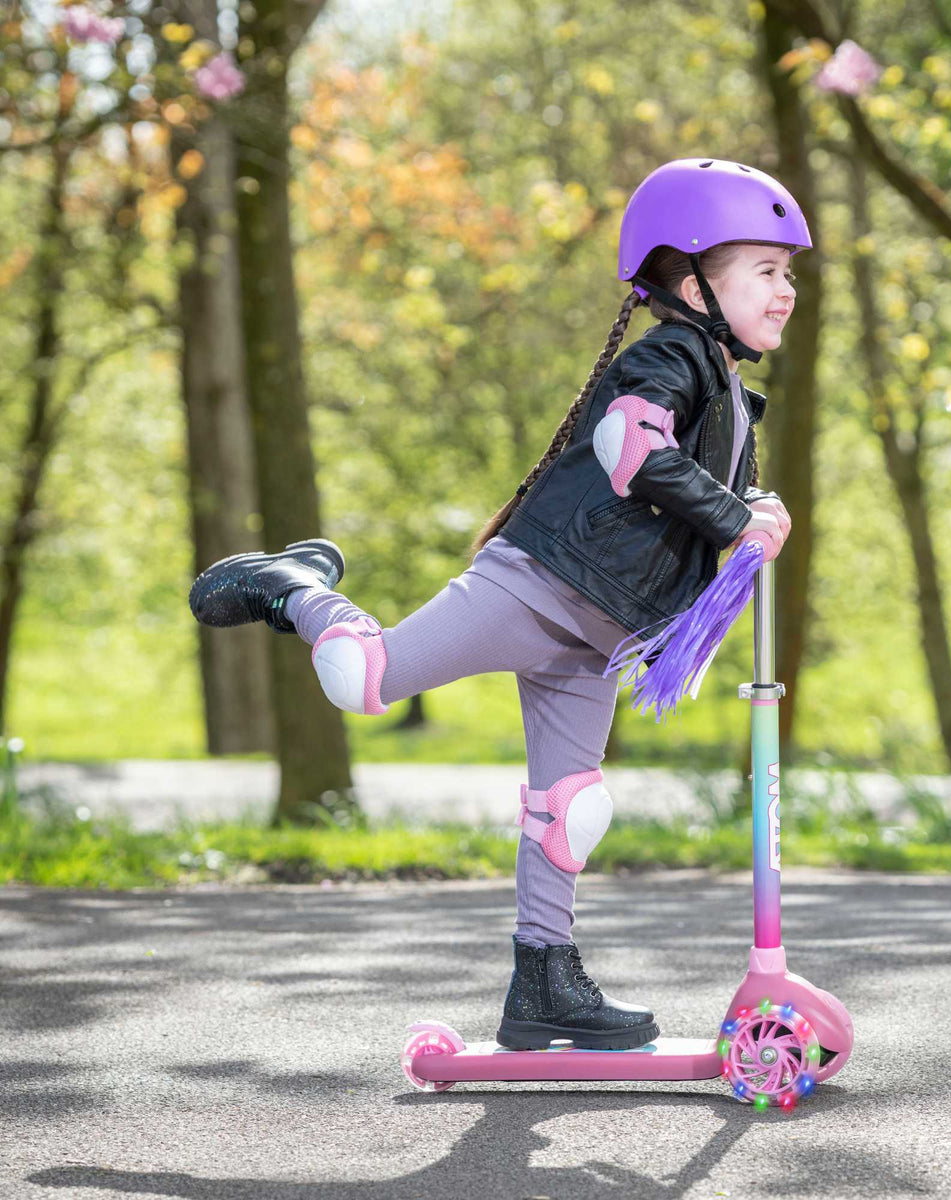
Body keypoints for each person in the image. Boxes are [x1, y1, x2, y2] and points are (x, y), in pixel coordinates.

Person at [188, 158, 806, 1051]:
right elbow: (628, 443)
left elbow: (690, 505)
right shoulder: (672, 353)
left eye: (788, 274)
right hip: (540, 585)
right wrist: (733, 515)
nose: (785, 292)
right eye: (766, 271)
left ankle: (543, 983)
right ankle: (296, 586)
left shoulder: (723, 379)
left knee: (572, 809)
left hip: (601, 632)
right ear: (689, 279)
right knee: (364, 679)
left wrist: (749, 512)